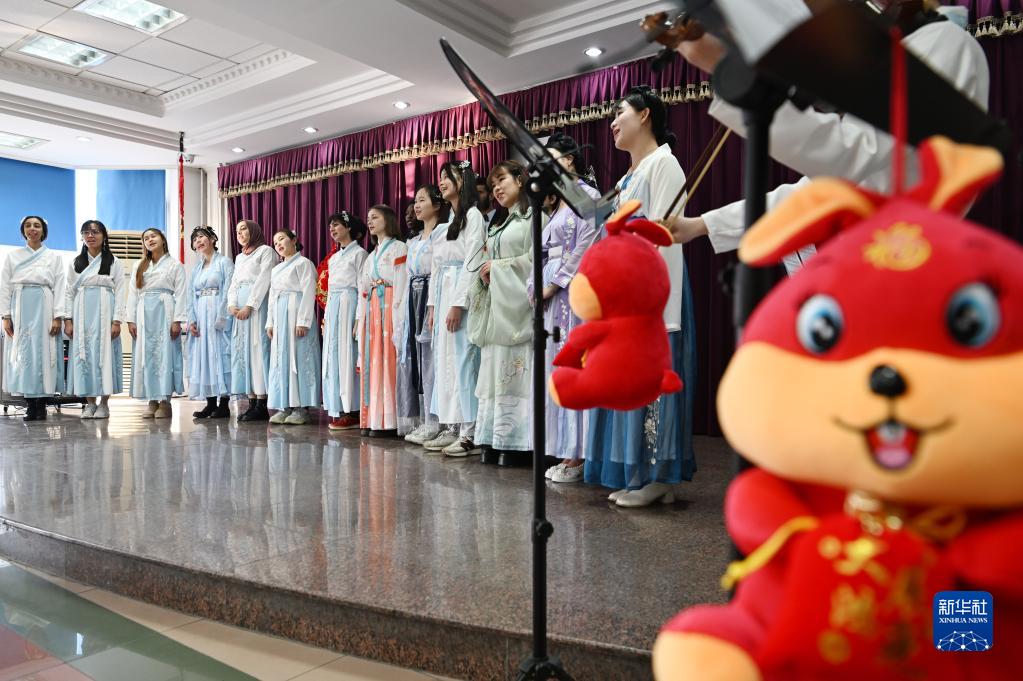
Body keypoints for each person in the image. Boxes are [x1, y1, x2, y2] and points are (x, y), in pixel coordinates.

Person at [667, 4, 990, 272]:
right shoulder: (905, 47)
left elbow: (849, 155)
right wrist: (701, 225)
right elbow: (815, 193)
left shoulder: (943, 41)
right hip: (877, 257)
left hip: (901, 262)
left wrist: (725, 68)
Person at [585, 86, 698, 507]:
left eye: (620, 112)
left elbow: (666, 237)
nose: (613, 122)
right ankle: (639, 475)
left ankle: (659, 476)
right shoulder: (626, 178)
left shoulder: (664, 163)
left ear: (645, 114)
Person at [530, 133, 601, 482]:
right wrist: (535, 285)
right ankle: (563, 448)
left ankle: (580, 453)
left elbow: (588, 240)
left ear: (570, 160)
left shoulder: (587, 196)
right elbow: (543, 251)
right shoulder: (557, 202)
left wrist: (555, 282)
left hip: (574, 291)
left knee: (575, 365)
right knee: (555, 366)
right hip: (553, 296)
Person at [471, 161, 535, 465]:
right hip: (498, 308)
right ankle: (495, 437)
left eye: (502, 180)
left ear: (521, 180)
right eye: (493, 185)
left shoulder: (534, 218)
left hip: (519, 309)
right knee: (495, 369)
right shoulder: (500, 223)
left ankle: (520, 442)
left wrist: (497, 269)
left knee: (517, 371)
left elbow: (536, 260)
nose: (496, 188)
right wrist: (487, 274)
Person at [424, 161, 486, 455]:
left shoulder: (473, 216)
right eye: (440, 177)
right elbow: (437, 267)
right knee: (445, 359)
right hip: (443, 291)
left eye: (448, 176)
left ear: (463, 180)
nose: (442, 181)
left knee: (464, 359)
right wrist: (432, 306)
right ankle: (451, 424)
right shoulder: (447, 221)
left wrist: (458, 303)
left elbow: (473, 261)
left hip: (460, 292)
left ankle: (470, 430)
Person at [0, 216, 66, 422]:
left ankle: (42, 403)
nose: (32, 229)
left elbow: (60, 286)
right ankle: (30, 404)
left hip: (45, 304)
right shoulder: (13, 256)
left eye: (37, 225)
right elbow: (4, 286)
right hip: (20, 307)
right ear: (23, 231)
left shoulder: (53, 257)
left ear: (43, 230)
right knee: (24, 353)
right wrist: (6, 315)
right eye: (28, 226)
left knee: (45, 352)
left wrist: (58, 316)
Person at [61, 219, 125, 419]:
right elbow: (68, 292)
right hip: (81, 313)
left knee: (105, 354)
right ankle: (89, 403)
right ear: (82, 237)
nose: (90, 235)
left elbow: (120, 291)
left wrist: (117, 321)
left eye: (95, 232)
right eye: (86, 232)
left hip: (105, 311)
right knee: (84, 355)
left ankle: (104, 404)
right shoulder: (75, 263)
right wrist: (68, 320)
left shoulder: (113, 262)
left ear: (104, 236)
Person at [400, 185, 448, 445]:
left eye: (422, 200)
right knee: (420, 359)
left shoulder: (442, 233)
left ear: (437, 204)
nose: (417, 206)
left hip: (432, 293)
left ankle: (438, 421)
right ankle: (426, 419)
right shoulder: (416, 240)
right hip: (414, 295)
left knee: (433, 358)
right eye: (415, 201)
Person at [356, 205, 408, 435]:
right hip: (373, 310)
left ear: (388, 220)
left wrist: (399, 316)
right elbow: (363, 288)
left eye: (375, 217)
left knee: (388, 358)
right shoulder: (372, 255)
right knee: (374, 360)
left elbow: (402, 283)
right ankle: (373, 419)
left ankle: (390, 420)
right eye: (368, 218)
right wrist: (360, 319)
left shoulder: (399, 248)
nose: (370, 221)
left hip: (389, 307)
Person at [125, 228, 187, 418]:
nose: (150, 240)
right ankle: (151, 400)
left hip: (164, 310)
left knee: (165, 354)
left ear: (162, 239)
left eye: (153, 236)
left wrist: (177, 320)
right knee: (147, 355)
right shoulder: (139, 265)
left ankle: (165, 401)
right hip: (143, 312)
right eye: (146, 238)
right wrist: (130, 320)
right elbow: (132, 293)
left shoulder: (175, 265)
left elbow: (181, 293)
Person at [266, 229, 321, 425]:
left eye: (281, 239)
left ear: (294, 240)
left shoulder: (304, 263)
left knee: (300, 357)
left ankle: (302, 408)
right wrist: (270, 322)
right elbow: (272, 297)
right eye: (275, 242)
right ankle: (285, 405)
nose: (278, 244)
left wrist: (303, 321)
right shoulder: (276, 269)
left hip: (296, 313)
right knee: (281, 359)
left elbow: (309, 291)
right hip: (280, 316)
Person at [321, 211, 367, 430]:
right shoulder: (334, 258)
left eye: (337, 225)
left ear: (349, 227)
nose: (332, 229)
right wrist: (326, 317)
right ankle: (339, 406)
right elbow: (330, 289)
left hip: (350, 303)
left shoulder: (359, 254)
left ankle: (354, 409)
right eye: (331, 225)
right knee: (334, 357)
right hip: (335, 306)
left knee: (349, 355)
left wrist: (359, 318)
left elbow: (362, 287)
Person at [228, 219, 275, 421]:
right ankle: (251, 400)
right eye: (237, 230)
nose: (239, 233)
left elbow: (265, 280)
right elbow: (234, 283)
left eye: (243, 229)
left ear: (253, 231)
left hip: (257, 307)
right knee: (243, 352)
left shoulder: (265, 251)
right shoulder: (239, 257)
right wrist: (232, 304)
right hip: (240, 311)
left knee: (257, 349)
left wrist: (250, 305)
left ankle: (262, 401)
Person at [186, 226, 234, 418]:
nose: (198, 241)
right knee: (204, 356)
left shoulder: (224, 262)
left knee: (219, 354)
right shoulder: (197, 269)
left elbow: (229, 288)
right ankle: (210, 402)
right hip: (201, 313)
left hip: (216, 311)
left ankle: (224, 403)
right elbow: (191, 295)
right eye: (195, 239)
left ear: (213, 239)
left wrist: (222, 315)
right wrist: (192, 319)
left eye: (201, 237)